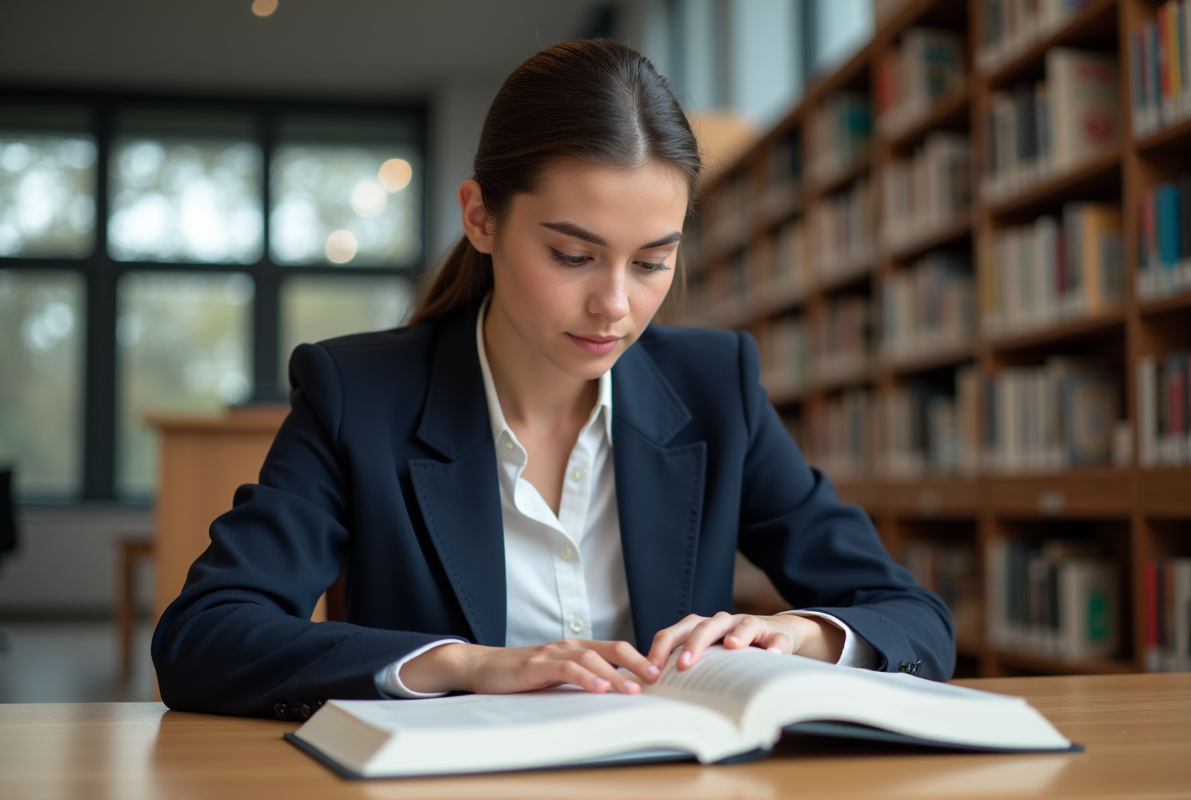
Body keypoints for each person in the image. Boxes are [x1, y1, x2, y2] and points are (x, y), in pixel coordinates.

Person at [152, 40, 954, 719]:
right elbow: (203, 637)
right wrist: (464, 666)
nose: (614, 305)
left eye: (653, 262)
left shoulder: (717, 388)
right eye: (572, 256)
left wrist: (803, 636)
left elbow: (914, 619)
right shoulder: (356, 395)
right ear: (481, 219)